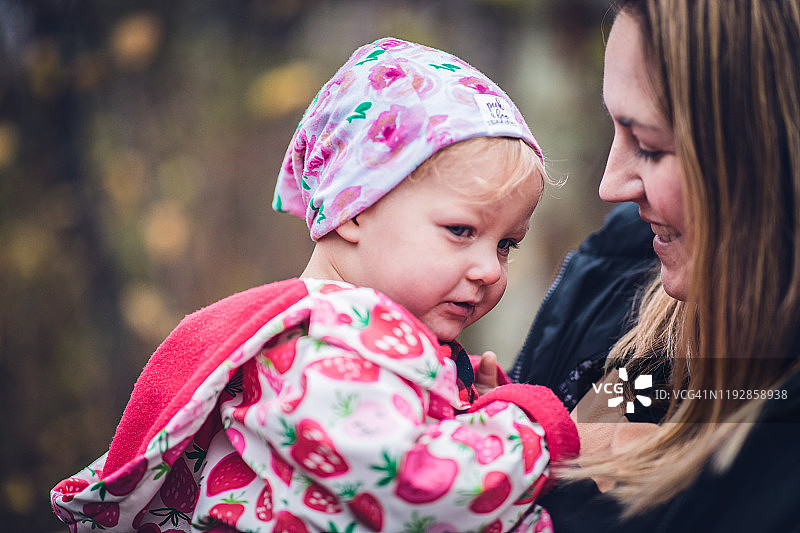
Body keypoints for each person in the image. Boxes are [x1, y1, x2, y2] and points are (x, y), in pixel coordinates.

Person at [50, 38, 578, 532]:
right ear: (353, 208)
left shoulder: (363, 337)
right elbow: (426, 492)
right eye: (461, 231)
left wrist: (469, 413)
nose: (489, 269)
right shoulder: (322, 344)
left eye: (506, 244)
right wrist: (528, 423)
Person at [513, 1, 800, 531]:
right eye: (615, 132)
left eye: (646, 144)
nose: (610, 186)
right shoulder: (622, 277)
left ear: (770, 155)